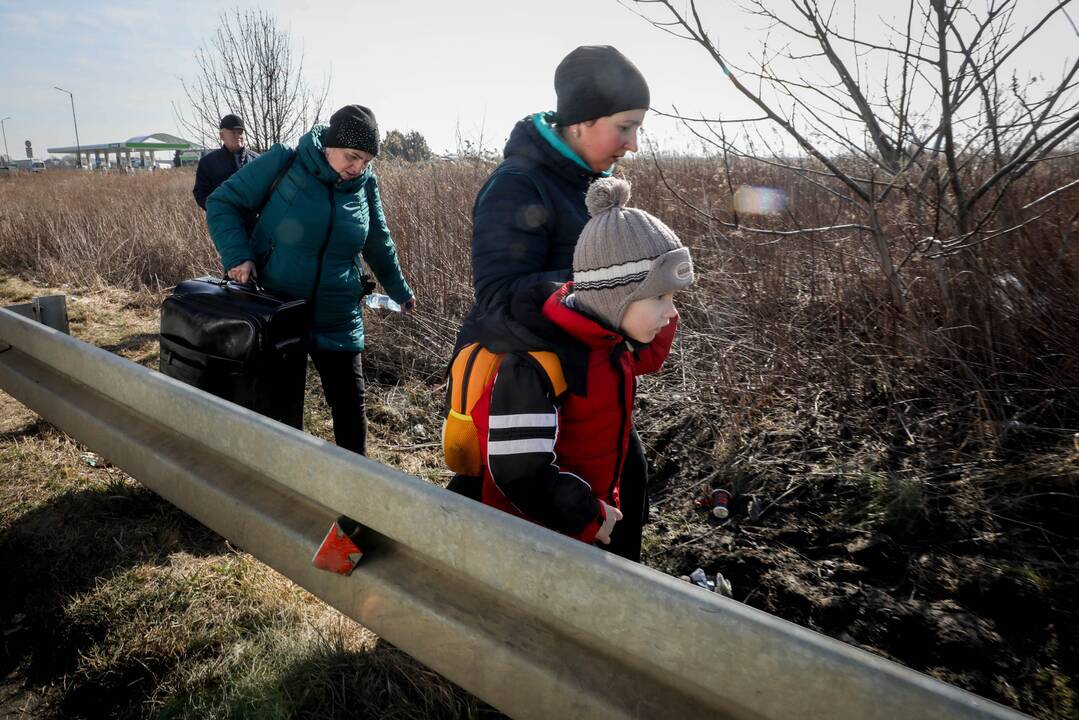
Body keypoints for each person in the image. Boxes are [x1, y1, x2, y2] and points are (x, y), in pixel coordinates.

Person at [452, 44, 653, 560]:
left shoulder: (595, 185)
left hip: (593, 383)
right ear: (583, 121)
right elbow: (497, 299)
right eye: (625, 127)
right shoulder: (517, 185)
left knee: (625, 495)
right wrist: (602, 294)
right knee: (522, 504)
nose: (632, 145)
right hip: (535, 391)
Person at [467, 177, 693, 553]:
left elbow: (650, 357)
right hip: (535, 538)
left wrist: (594, 517)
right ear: (616, 298)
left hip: (587, 520)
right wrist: (586, 516)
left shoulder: (608, 340)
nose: (671, 312)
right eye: (661, 297)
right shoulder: (535, 364)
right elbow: (520, 473)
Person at [205, 104, 416, 456]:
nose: (358, 167)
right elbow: (222, 201)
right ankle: (283, 484)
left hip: (338, 312)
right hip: (279, 308)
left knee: (350, 407)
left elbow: (378, 241)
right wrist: (238, 256)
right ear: (329, 145)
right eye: (352, 157)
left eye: (366, 160)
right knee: (279, 407)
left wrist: (400, 290)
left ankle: (353, 499)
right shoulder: (286, 162)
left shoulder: (365, 185)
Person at [193, 114, 260, 215]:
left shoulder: (257, 160)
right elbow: (200, 193)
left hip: (255, 222)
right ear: (221, 136)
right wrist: (218, 209)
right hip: (224, 222)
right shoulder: (208, 163)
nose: (238, 136)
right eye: (233, 132)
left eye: (240, 132)